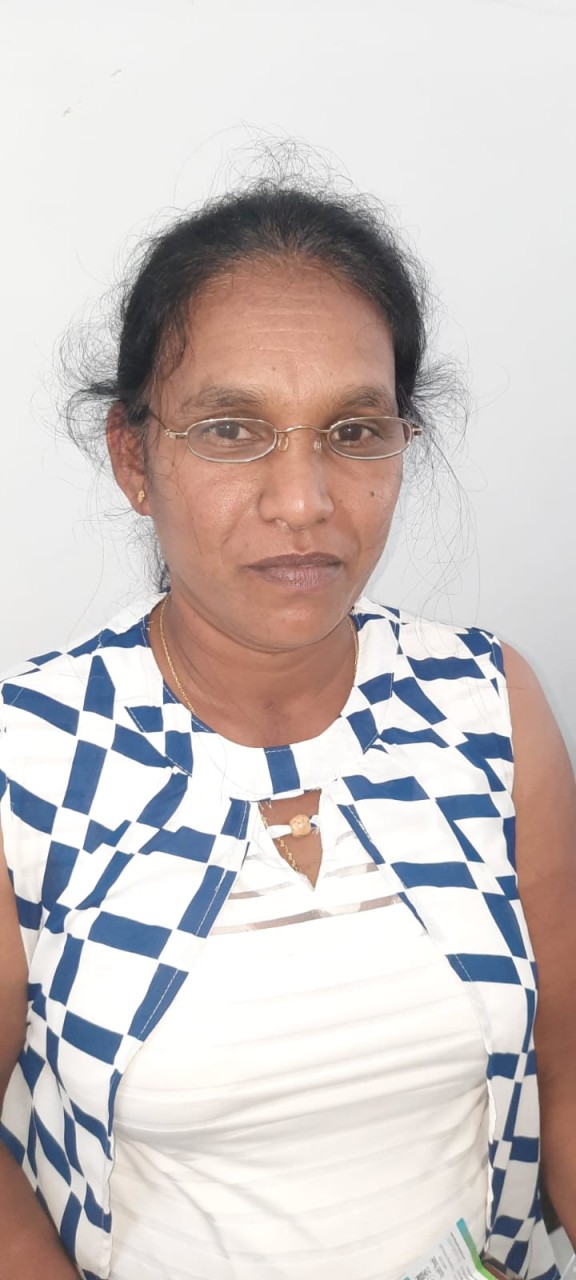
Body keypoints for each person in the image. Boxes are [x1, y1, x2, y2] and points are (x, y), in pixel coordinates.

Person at [0, 182, 574, 1280]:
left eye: (353, 431)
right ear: (133, 458)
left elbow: (571, 1064)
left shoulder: (487, 703)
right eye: (232, 430)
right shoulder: (30, 755)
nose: (304, 499)